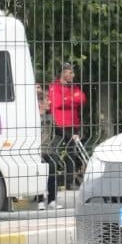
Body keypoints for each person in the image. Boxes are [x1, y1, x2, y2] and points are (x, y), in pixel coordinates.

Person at [43, 63, 88, 199]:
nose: (73, 75)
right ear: (63, 73)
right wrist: (72, 99)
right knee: (53, 152)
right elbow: (57, 103)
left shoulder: (74, 87)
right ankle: (52, 182)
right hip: (59, 124)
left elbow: (83, 99)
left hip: (73, 123)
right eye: (70, 72)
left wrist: (67, 100)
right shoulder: (54, 87)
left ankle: (69, 181)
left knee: (71, 153)